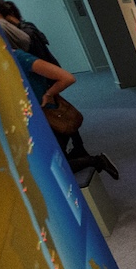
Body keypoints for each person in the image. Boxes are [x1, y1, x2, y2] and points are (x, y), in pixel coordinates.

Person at [13, 49, 119, 181]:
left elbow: (67, 78)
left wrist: (48, 94)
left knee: (56, 167)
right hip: (35, 119)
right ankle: (86, 158)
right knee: (58, 161)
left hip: (49, 117)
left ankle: (96, 161)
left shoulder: (19, 58)